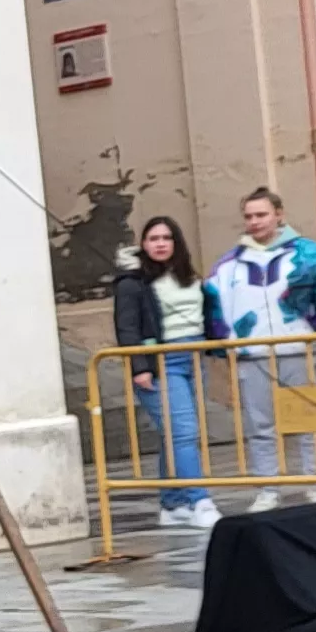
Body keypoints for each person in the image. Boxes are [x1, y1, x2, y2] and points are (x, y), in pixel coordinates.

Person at [207, 188, 316, 509]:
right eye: (249, 216)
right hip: (254, 354)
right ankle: (268, 487)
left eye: (261, 215)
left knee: (311, 420)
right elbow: (215, 304)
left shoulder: (310, 254)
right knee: (259, 424)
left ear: (279, 214)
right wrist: (227, 343)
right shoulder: (230, 264)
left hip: (303, 348)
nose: (254, 222)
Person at [108, 217, 221, 530]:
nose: (160, 244)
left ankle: (172, 504)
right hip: (161, 361)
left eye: (166, 238)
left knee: (173, 434)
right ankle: (200, 500)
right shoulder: (133, 283)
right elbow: (127, 328)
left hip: (194, 357)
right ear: (143, 244)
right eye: (153, 238)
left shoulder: (188, 276)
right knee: (183, 431)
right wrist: (139, 367)